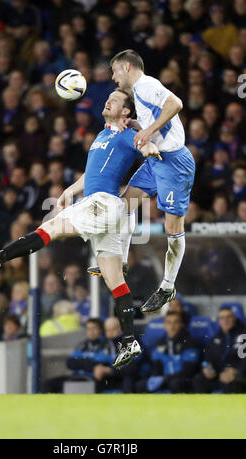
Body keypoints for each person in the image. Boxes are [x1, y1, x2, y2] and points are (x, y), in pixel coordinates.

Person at [0, 89, 162, 367]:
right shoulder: (101, 135)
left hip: (104, 203)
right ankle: (129, 340)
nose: (107, 100)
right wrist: (70, 190)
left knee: (53, 227)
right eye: (108, 97)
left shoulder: (128, 135)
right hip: (108, 207)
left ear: (126, 112)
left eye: (115, 100)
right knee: (114, 279)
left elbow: (144, 145)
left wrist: (148, 146)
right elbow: (91, 173)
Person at [107, 49, 195, 314]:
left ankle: (168, 287)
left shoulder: (146, 84)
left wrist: (148, 130)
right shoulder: (141, 91)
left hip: (174, 163)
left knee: (172, 229)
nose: (113, 78)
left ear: (126, 67)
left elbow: (176, 103)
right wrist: (136, 123)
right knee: (125, 205)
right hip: (156, 161)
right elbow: (154, 117)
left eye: (114, 71)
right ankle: (120, 262)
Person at [136, 312, 200, 393]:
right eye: (169, 322)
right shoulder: (160, 342)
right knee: (140, 385)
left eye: (176, 322)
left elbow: (188, 370)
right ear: (165, 325)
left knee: (175, 383)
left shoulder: (190, 342)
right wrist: (156, 377)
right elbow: (157, 366)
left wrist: (165, 378)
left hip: (183, 379)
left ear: (181, 324)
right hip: (165, 379)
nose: (172, 326)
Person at [193, 307, 246, 394]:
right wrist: (208, 369)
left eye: (228, 317)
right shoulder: (214, 339)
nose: (225, 320)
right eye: (222, 318)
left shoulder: (243, 335)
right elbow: (207, 360)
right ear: (218, 321)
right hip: (219, 375)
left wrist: (236, 371)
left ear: (234, 318)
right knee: (199, 381)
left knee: (232, 382)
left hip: (240, 374)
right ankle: (203, 407)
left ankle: (233, 407)